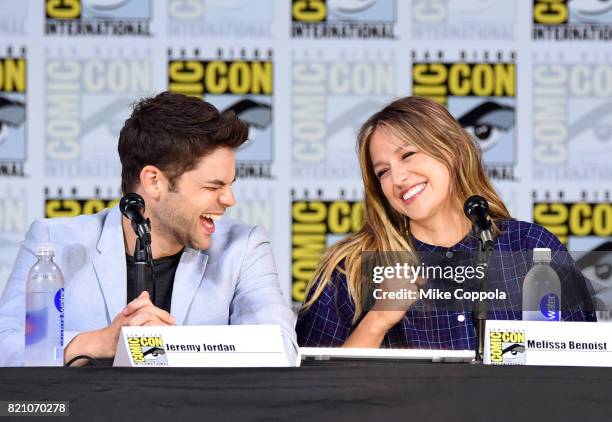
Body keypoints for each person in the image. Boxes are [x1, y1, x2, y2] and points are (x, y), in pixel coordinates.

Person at [0, 92, 297, 366]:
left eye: (230, 184)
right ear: (154, 181)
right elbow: (5, 344)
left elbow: (281, 348)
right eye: (213, 186)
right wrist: (99, 342)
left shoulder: (242, 247)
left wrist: (172, 347)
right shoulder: (56, 242)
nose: (229, 199)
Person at [296, 96, 596, 350]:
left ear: (451, 151)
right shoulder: (351, 268)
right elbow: (311, 392)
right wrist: (377, 320)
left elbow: (582, 369)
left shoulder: (530, 247)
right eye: (383, 172)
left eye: (408, 155)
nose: (398, 179)